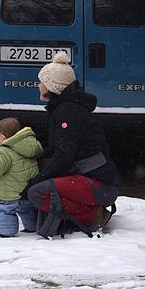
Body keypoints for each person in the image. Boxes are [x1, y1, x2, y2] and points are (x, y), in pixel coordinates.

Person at [24, 51, 121, 239]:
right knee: (41, 182)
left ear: (52, 86)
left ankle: (93, 215)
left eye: (42, 81)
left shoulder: (69, 112)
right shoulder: (64, 108)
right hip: (94, 182)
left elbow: (64, 155)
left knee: (36, 193)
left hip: (100, 187)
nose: (38, 85)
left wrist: (36, 180)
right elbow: (58, 151)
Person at [0, 116, 42, 237]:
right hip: (27, 190)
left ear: (3, 137)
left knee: (5, 210)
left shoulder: (3, 151)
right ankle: (32, 227)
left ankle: (6, 232)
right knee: (27, 210)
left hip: (9, 191)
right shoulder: (31, 146)